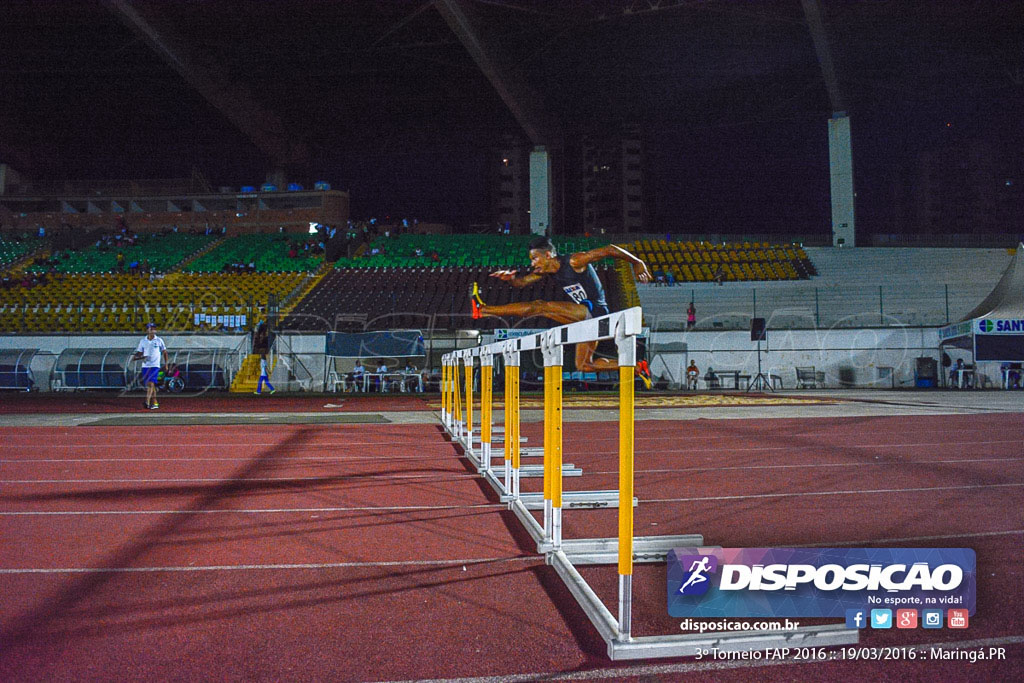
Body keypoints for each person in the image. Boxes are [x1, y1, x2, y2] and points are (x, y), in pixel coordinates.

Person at [470, 236, 653, 386]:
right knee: (584, 365)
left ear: (548, 255)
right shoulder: (546, 271)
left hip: (596, 313)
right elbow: (522, 283)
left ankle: (484, 310)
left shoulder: (574, 261)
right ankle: (635, 367)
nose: (533, 264)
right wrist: (510, 279)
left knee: (541, 306)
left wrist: (637, 263)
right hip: (585, 319)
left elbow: (610, 249)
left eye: (534, 258)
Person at [132, 322, 168, 409]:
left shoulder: (159, 340)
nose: (152, 330)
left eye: (153, 328)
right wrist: (137, 356)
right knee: (150, 385)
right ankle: (155, 402)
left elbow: (164, 352)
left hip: (155, 365)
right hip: (145, 365)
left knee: (151, 383)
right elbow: (140, 352)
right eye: (150, 328)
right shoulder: (143, 341)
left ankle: (147, 401)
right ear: (147, 330)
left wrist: (166, 364)